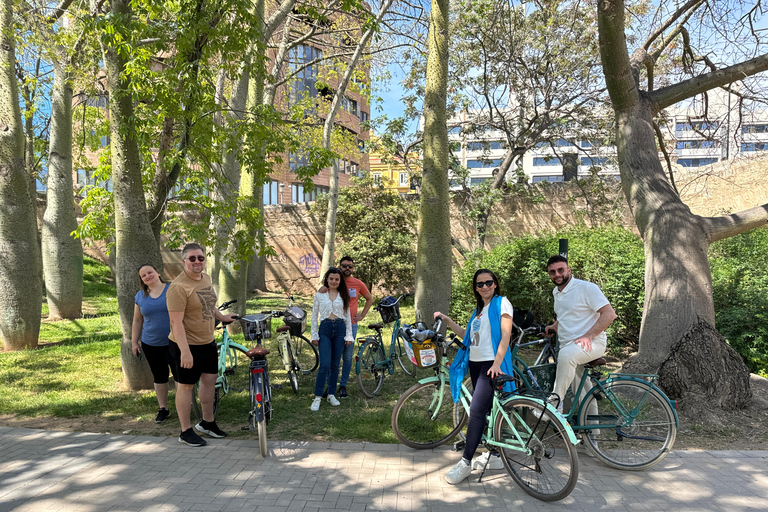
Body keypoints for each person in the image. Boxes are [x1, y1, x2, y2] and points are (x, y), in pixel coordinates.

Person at [434, 269, 515, 485]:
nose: (485, 287)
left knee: (477, 412)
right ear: (476, 288)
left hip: (491, 364)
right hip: (476, 363)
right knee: (488, 412)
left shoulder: (501, 303)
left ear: (495, 284)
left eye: (489, 282)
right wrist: (448, 320)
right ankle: (495, 455)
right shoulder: (479, 310)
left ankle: (466, 462)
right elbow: (468, 335)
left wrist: (497, 363)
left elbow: (506, 335)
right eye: (480, 284)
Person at [167, 243, 238, 447]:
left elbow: (209, 303)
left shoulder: (205, 278)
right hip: (186, 345)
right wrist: (185, 352)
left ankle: (207, 423)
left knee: (210, 381)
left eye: (201, 258)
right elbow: (176, 323)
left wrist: (222, 317)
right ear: (184, 261)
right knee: (185, 386)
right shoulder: (178, 288)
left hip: (207, 341)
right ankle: (185, 431)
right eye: (192, 258)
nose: (197, 262)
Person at [544, 255, 616, 416]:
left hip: (591, 344)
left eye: (560, 270)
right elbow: (567, 315)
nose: (557, 274)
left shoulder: (586, 288)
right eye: (552, 272)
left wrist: (588, 336)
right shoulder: (556, 291)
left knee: (566, 355)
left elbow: (609, 314)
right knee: (583, 393)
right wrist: (554, 326)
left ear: (569, 270)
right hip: (571, 347)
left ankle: (555, 402)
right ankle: (592, 434)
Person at [321, 256, 372, 398]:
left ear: (353, 268)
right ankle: (330, 386)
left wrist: (362, 315)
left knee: (347, 357)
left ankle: (343, 385)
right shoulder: (334, 282)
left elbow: (370, 298)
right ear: (340, 266)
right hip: (333, 324)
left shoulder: (358, 283)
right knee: (331, 356)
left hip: (351, 325)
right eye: (344, 266)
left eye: (350, 266)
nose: (347, 269)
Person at [132, 263, 177, 423]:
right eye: (143, 275)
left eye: (149, 272)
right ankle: (163, 408)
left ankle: (183, 407)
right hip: (150, 343)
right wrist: (134, 342)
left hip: (174, 341)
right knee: (159, 376)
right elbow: (137, 321)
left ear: (157, 272)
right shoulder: (140, 296)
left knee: (179, 376)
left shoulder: (172, 289)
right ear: (142, 280)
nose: (147, 276)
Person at [309, 267, 353, 411]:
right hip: (325, 329)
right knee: (325, 364)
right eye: (331, 279)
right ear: (327, 279)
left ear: (340, 281)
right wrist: (314, 335)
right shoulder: (320, 295)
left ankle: (331, 394)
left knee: (335, 365)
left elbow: (347, 317)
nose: (334, 281)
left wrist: (349, 335)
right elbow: (314, 316)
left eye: (336, 279)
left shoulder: (343, 295)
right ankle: (317, 396)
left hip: (340, 329)